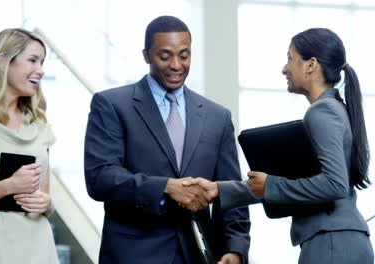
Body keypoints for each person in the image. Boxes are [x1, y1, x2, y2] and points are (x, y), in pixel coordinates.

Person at [185, 28, 374, 263]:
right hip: (336, 241)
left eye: (290, 59)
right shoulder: (334, 108)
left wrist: (270, 185)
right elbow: (295, 181)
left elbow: (335, 185)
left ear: (311, 65)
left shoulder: (322, 112)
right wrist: (217, 190)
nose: (284, 68)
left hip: (332, 243)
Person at [84, 16, 250, 264]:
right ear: (146, 55)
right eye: (165, 56)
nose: (176, 65)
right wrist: (165, 187)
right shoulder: (111, 105)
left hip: (198, 255)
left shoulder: (218, 117)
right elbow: (100, 178)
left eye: (184, 56)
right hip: (133, 255)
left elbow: (231, 191)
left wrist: (235, 249)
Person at [0, 28, 58, 263]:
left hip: (37, 243)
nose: (40, 70)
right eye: (32, 60)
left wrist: (46, 203)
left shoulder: (39, 124)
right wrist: (8, 186)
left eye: (42, 62)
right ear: (3, 61)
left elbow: (45, 193)